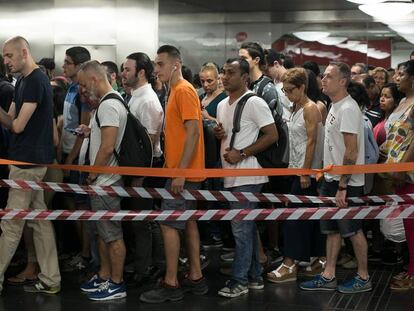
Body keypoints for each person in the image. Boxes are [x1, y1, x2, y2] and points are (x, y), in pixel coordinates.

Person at [140, 45, 208, 303]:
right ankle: (196, 276)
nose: (156, 69)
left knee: (168, 225)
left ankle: (171, 282)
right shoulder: (174, 92)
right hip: (181, 171)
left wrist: (179, 172)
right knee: (188, 222)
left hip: (182, 173)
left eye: (160, 64)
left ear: (175, 64)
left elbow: (193, 132)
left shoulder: (183, 90)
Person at [300, 62, 371, 294]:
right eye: (323, 76)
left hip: (345, 183)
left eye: (329, 76)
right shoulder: (334, 105)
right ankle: (328, 274)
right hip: (331, 179)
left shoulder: (349, 109)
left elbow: (351, 151)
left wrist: (342, 186)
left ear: (343, 81)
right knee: (331, 229)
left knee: (352, 230)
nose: (323, 79)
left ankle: (363, 277)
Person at [0, 36, 61, 295]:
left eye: (9, 56)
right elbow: (11, 117)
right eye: (4, 57)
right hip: (28, 160)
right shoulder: (23, 81)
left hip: (28, 163)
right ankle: (51, 278)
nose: (6, 62)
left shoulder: (35, 80)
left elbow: (16, 125)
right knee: (39, 220)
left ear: (24, 52)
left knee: (12, 223)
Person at [214, 58, 277, 298]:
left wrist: (242, 153)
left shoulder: (254, 102)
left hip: (247, 174)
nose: (225, 77)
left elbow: (272, 135)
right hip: (231, 175)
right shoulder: (223, 105)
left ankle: (239, 280)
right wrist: (218, 132)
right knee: (246, 228)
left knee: (240, 229)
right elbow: (228, 133)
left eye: (231, 73)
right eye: (224, 72)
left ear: (244, 78)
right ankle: (254, 276)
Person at [266, 68, 325, 284]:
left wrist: (305, 171)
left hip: (304, 171)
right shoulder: (296, 107)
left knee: (294, 218)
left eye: (291, 90)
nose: (288, 94)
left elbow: (312, 141)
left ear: (302, 87)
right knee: (308, 217)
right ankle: (317, 259)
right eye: (285, 90)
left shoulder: (311, 108)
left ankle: (290, 263)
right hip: (295, 167)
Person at [77, 60, 127, 301]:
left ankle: (116, 283)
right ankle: (106, 275)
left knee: (112, 234)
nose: (83, 90)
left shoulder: (108, 105)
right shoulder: (109, 103)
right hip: (104, 181)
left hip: (106, 181)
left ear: (95, 79)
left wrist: (93, 173)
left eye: (84, 85)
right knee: (104, 233)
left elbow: (107, 147)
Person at [121, 52, 165, 285]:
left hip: (144, 169)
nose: (123, 73)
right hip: (135, 167)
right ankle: (144, 263)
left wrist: (141, 175)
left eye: (127, 69)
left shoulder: (147, 99)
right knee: (138, 220)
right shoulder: (134, 96)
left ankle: (147, 267)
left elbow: (150, 141)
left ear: (140, 72)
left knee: (143, 221)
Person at [380, 60, 414, 290]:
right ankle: (410, 268)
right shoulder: (402, 101)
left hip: (409, 173)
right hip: (395, 171)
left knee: (412, 224)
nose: (397, 77)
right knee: (406, 224)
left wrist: (404, 166)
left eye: (401, 74)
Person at [239, 43, 282, 117]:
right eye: (239, 59)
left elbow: (272, 121)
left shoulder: (267, 88)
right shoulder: (244, 84)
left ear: (256, 60)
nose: (240, 62)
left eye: (244, 58)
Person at [265, 49, 292, 121]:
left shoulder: (292, 80)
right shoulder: (274, 82)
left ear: (276, 64)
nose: (266, 74)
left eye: (267, 70)